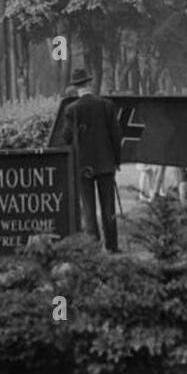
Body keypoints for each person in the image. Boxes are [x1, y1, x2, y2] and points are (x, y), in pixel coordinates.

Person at [62, 67, 123, 252]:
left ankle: (93, 246)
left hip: (83, 164)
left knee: (88, 208)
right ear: (89, 83)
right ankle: (112, 246)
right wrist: (117, 160)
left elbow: (66, 137)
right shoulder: (106, 105)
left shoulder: (71, 109)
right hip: (106, 162)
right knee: (108, 207)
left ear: (75, 87)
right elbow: (116, 135)